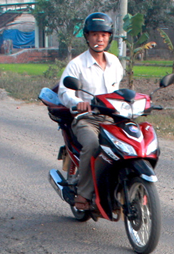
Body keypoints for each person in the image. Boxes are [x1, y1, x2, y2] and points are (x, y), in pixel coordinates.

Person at [57, 12, 124, 211]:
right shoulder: (77, 65)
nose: (99, 39)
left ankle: (123, 185)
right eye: (95, 34)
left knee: (130, 145)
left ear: (109, 37)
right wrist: (78, 102)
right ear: (87, 36)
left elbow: (118, 91)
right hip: (86, 119)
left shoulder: (115, 63)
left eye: (103, 35)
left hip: (112, 118)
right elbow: (64, 91)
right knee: (93, 145)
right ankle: (83, 196)